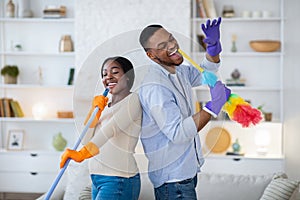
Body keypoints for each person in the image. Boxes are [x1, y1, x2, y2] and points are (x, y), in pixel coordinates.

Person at [138, 17, 231, 199]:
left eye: (171, 39)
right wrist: (212, 107)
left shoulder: (178, 71)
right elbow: (178, 133)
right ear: (151, 55)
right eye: (163, 45)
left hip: (185, 175)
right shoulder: (155, 86)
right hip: (173, 182)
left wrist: (213, 48)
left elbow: (206, 72)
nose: (172, 46)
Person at [60, 56, 142, 200]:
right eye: (104, 74)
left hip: (119, 179)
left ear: (128, 76)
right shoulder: (104, 106)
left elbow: (109, 131)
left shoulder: (133, 101)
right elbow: (86, 139)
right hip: (97, 179)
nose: (108, 77)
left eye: (115, 72)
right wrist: (94, 112)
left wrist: (82, 154)